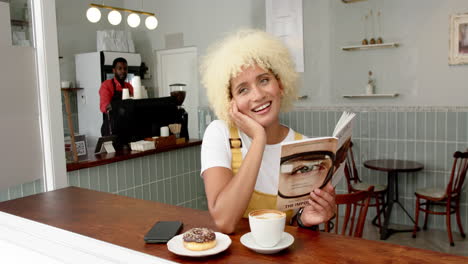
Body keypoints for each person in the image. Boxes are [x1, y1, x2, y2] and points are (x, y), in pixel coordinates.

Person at [200, 29, 336, 234]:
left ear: (280, 85)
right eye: (242, 89)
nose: (258, 95)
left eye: (264, 80)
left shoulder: (304, 147)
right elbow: (224, 221)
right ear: (231, 102)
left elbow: (293, 227)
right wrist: (258, 139)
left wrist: (304, 220)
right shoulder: (219, 133)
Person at [99, 57, 134, 136]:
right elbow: (105, 107)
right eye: (120, 68)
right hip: (111, 128)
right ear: (114, 70)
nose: (123, 71)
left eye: (125, 69)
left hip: (127, 127)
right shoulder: (106, 85)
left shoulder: (129, 86)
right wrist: (122, 105)